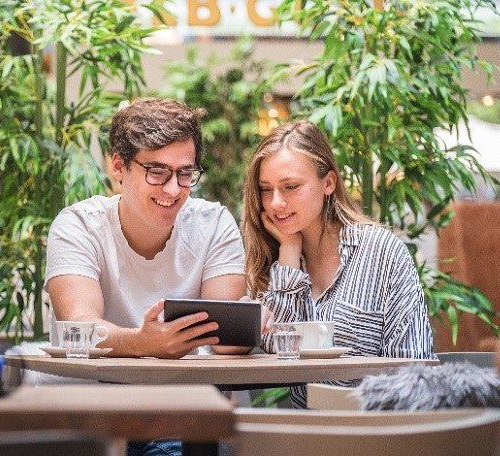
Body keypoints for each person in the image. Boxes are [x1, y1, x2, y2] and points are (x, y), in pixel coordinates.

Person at [46, 97, 259, 361]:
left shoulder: (213, 224)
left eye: (185, 173)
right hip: (92, 395)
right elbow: (78, 328)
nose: (173, 189)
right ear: (118, 167)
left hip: (187, 395)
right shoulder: (79, 226)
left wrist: (248, 327)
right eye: (156, 172)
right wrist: (140, 343)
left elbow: (225, 339)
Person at [242, 120, 435, 408]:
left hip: (378, 432)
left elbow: (414, 367)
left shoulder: (381, 251)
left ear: (328, 183)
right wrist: (289, 253)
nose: (275, 203)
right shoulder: (270, 257)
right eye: (265, 189)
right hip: (309, 436)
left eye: (290, 187)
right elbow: (278, 349)